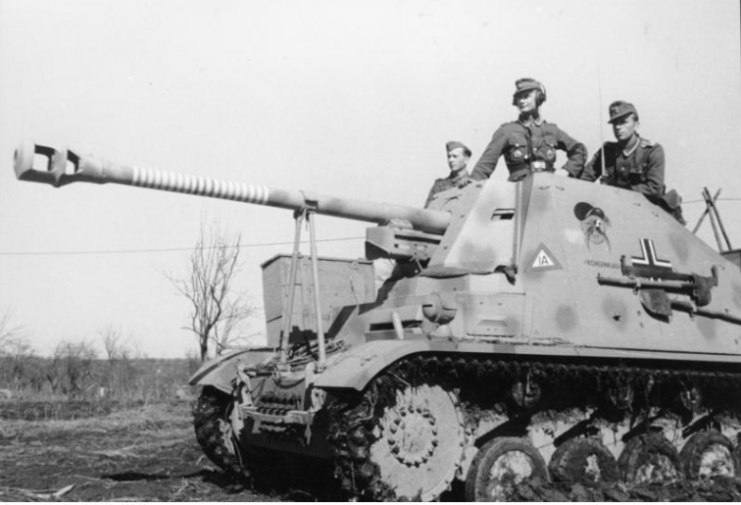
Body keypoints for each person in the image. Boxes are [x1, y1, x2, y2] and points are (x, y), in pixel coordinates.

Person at [581, 100, 685, 223]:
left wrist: (615, 191)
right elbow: (584, 179)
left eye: (623, 122)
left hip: (650, 216)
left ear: (636, 125)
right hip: (616, 215)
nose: (618, 127)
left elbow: (654, 190)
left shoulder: (652, 151)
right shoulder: (607, 152)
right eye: (614, 123)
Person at [469, 78, 586, 182]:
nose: (521, 101)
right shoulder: (506, 131)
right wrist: (472, 185)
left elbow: (579, 149)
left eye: (526, 96)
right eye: (519, 98)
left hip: (549, 189)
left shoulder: (552, 130)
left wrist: (566, 170)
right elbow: (485, 165)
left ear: (539, 98)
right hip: (518, 192)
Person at [424, 140, 471, 207]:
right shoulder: (439, 185)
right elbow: (427, 211)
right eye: (449, 157)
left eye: (455, 156)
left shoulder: (473, 182)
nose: (451, 160)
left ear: (466, 159)